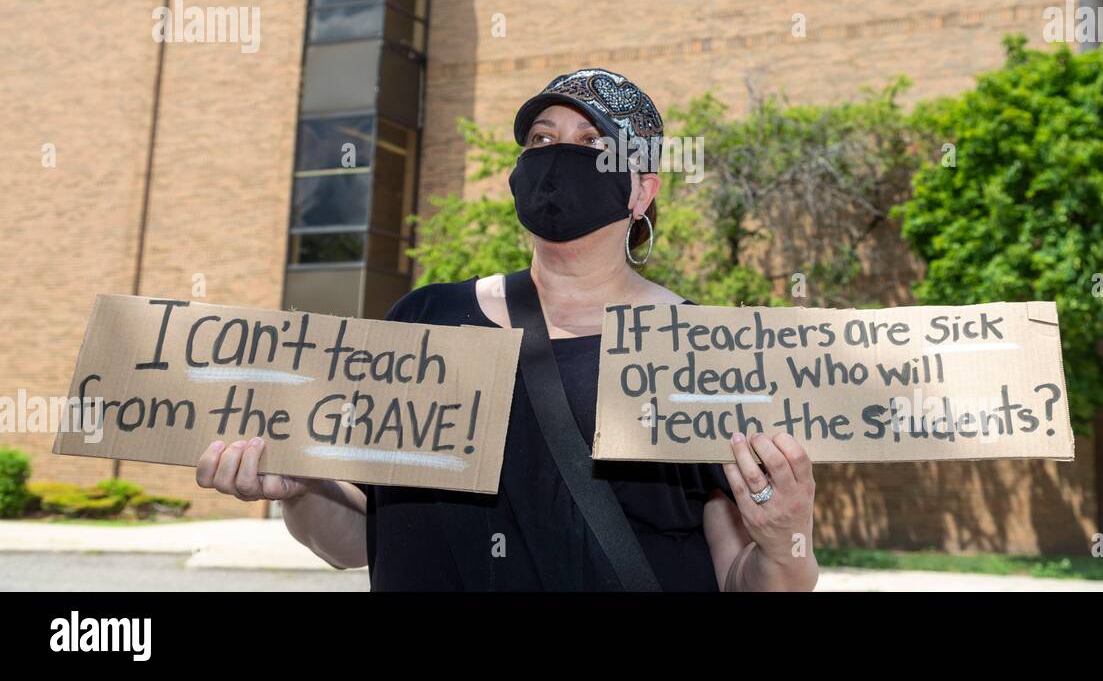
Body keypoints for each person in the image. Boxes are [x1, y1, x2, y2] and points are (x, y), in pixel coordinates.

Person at [196, 68, 818, 591]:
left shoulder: (696, 351)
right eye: (541, 139)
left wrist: (785, 539)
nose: (557, 157)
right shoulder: (426, 321)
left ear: (640, 189)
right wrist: (300, 488)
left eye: (593, 142)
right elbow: (355, 543)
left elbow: (745, 577)